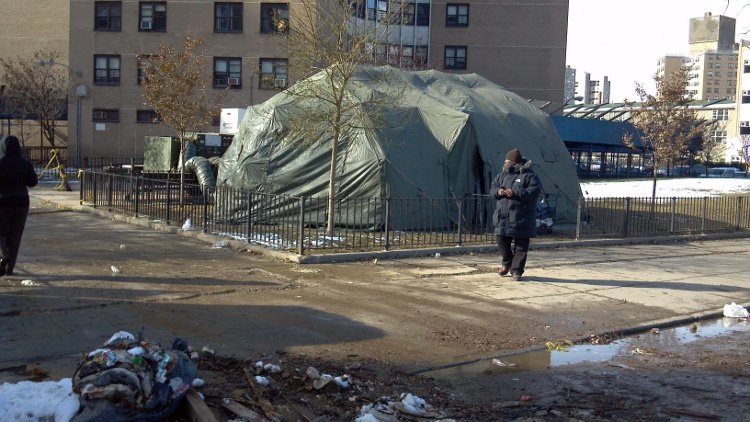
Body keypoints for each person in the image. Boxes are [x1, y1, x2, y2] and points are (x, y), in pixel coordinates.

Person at [490, 148, 542, 281]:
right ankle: (507, 263)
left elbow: (534, 191)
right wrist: (498, 192)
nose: (504, 162)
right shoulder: (502, 175)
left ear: (513, 162)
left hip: (522, 218)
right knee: (502, 242)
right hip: (503, 217)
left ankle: (516, 270)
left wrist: (516, 192)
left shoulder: (530, 176)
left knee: (521, 247)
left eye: (506, 161)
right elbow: (493, 187)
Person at [0, 135, 38, 276]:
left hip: (3, 202)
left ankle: (4, 255)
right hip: (22, 202)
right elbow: (33, 182)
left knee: (1, 233)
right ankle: (10, 269)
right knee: (15, 236)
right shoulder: (24, 163)